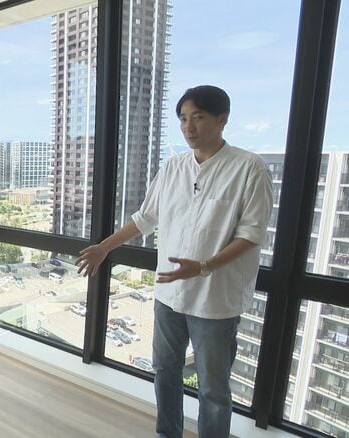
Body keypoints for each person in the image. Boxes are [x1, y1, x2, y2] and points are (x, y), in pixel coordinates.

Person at [77, 85, 273, 438]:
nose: (188, 127)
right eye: (183, 119)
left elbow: (251, 234)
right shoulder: (173, 167)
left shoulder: (249, 168)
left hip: (215, 301)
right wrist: (105, 247)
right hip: (168, 295)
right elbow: (144, 219)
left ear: (222, 119)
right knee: (165, 372)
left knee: (213, 389)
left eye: (198, 117)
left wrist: (204, 266)